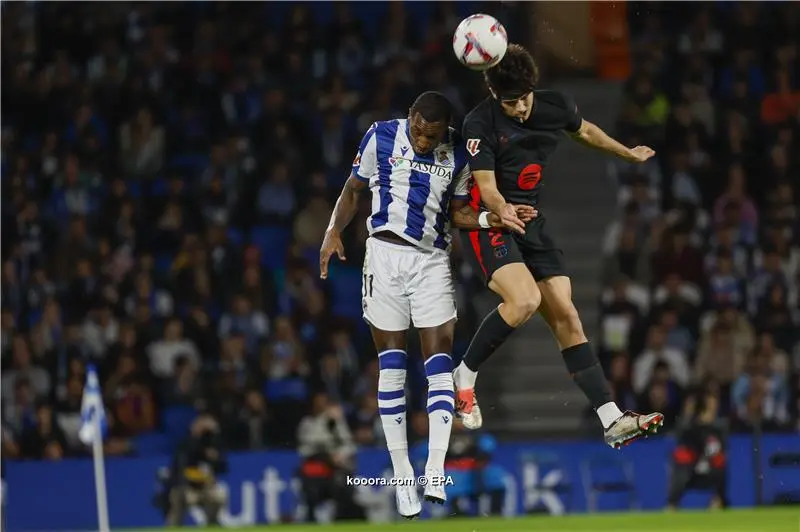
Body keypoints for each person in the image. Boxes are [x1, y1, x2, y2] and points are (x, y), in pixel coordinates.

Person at [319, 91, 535, 518]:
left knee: (439, 363)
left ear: (443, 130)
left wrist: (495, 217)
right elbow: (353, 189)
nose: (422, 139)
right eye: (418, 129)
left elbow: (458, 213)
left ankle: (435, 467)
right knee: (392, 367)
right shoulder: (380, 137)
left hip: (431, 260)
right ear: (411, 117)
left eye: (430, 134)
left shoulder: (455, 152)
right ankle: (403, 476)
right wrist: (332, 229)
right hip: (382, 257)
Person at [453, 43, 663, 449]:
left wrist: (627, 154)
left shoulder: (555, 105)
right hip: (492, 224)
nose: (519, 109)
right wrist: (502, 211)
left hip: (532, 221)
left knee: (567, 314)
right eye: (510, 102)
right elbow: (488, 189)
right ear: (495, 95)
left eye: (524, 98)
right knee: (525, 301)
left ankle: (611, 418)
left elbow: (584, 131)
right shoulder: (479, 123)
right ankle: (465, 375)